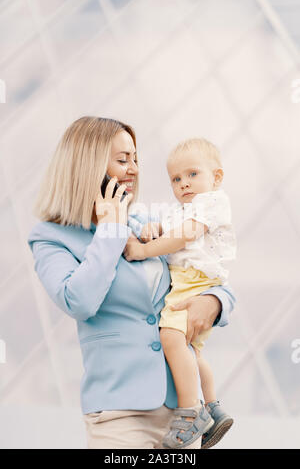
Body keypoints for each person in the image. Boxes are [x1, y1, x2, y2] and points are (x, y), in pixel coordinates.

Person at [27, 117, 236, 449]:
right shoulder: (51, 237)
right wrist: (111, 230)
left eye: (135, 159)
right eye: (122, 160)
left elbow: (202, 268)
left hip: (182, 417)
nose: (134, 169)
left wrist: (216, 301)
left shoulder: (148, 224)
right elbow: (79, 301)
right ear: (88, 165)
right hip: (118, 415)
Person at [123, 138, 236, 449]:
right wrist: (152, 229)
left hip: (193, 282)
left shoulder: (211, 202)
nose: (184, 184)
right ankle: (213, 407)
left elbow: (181, 237)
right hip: (192, 281)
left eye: (192, 174)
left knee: (171, 338)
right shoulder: (184, 209)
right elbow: (168, 228)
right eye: (176, 179)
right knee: (192, 351)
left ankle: (191, 413)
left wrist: (143, 249)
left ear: (217, 177)